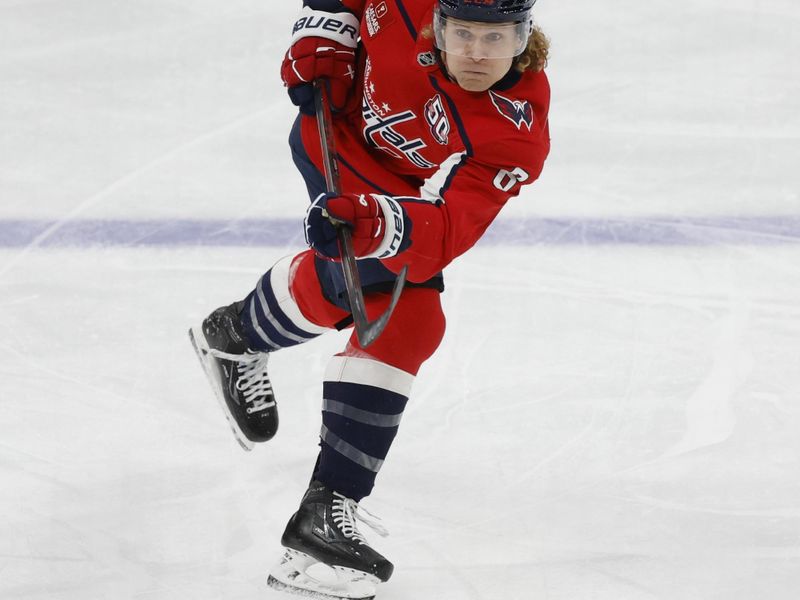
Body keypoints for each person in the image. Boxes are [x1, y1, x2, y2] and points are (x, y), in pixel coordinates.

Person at [189, 0, 550, 598]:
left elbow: (448, 230)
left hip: (391, 198)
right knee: (408, 318)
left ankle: (237, 334)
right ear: (438, 24)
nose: (477, 53)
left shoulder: (516, 131)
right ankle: (322, 520)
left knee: (355, 291)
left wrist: (374, 219)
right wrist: (326, 23)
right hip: (333, 132)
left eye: (495, 37)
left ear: (523, 37)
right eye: (463, 33)